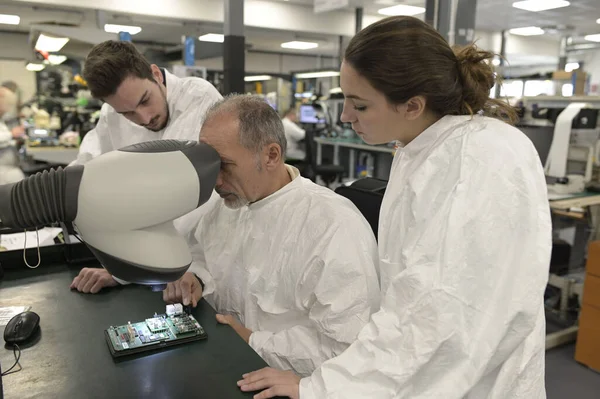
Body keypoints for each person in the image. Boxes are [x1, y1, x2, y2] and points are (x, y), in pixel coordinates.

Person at [238, 16, 551, 399]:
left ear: (413, 105)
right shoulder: (421, 148)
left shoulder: (471, 163)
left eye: (360, 105)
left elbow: (433, 318)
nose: (344, 116)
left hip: (471, 383)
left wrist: (320, 387)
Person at [161, 94, 380, 376]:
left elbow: (348, 347)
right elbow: (203, 253)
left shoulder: (332, 225)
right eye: (209, 166)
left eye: (224, 165)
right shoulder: (227, 205)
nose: (215, 181)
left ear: (271, 155)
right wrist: (196, 278)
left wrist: (253, 341)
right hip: (224, 358)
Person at [70, 40, 222, 293]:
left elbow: (184, 201)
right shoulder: (111, 114)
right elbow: (89, 170)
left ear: (155, 73)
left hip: (203, 255)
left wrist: (125, 271)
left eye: (144, 100)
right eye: (127, 113)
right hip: (154, 261)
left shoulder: (199, 100)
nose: (144, 118)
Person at [0, 87, 24, 185]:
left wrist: (15, 140)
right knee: (17, 177)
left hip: (8, 165)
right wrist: (11, 134)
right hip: (4, 169)